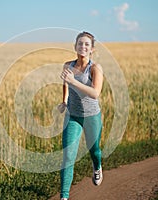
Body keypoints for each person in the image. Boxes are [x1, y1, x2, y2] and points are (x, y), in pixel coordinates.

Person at [58, 31, 104, 200]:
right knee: (68, 155)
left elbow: (95, 93)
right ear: (75, 46)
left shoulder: (95, 68)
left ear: (92, 49)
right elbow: (65, 83)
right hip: (73, 116)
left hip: (92, 116)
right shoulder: (67, 66)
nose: (82, 46)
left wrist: (74, 82)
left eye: (86, 44)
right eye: (80, 43)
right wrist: (64, 101)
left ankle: (97, 167)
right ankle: (64, 196)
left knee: (95, 151)